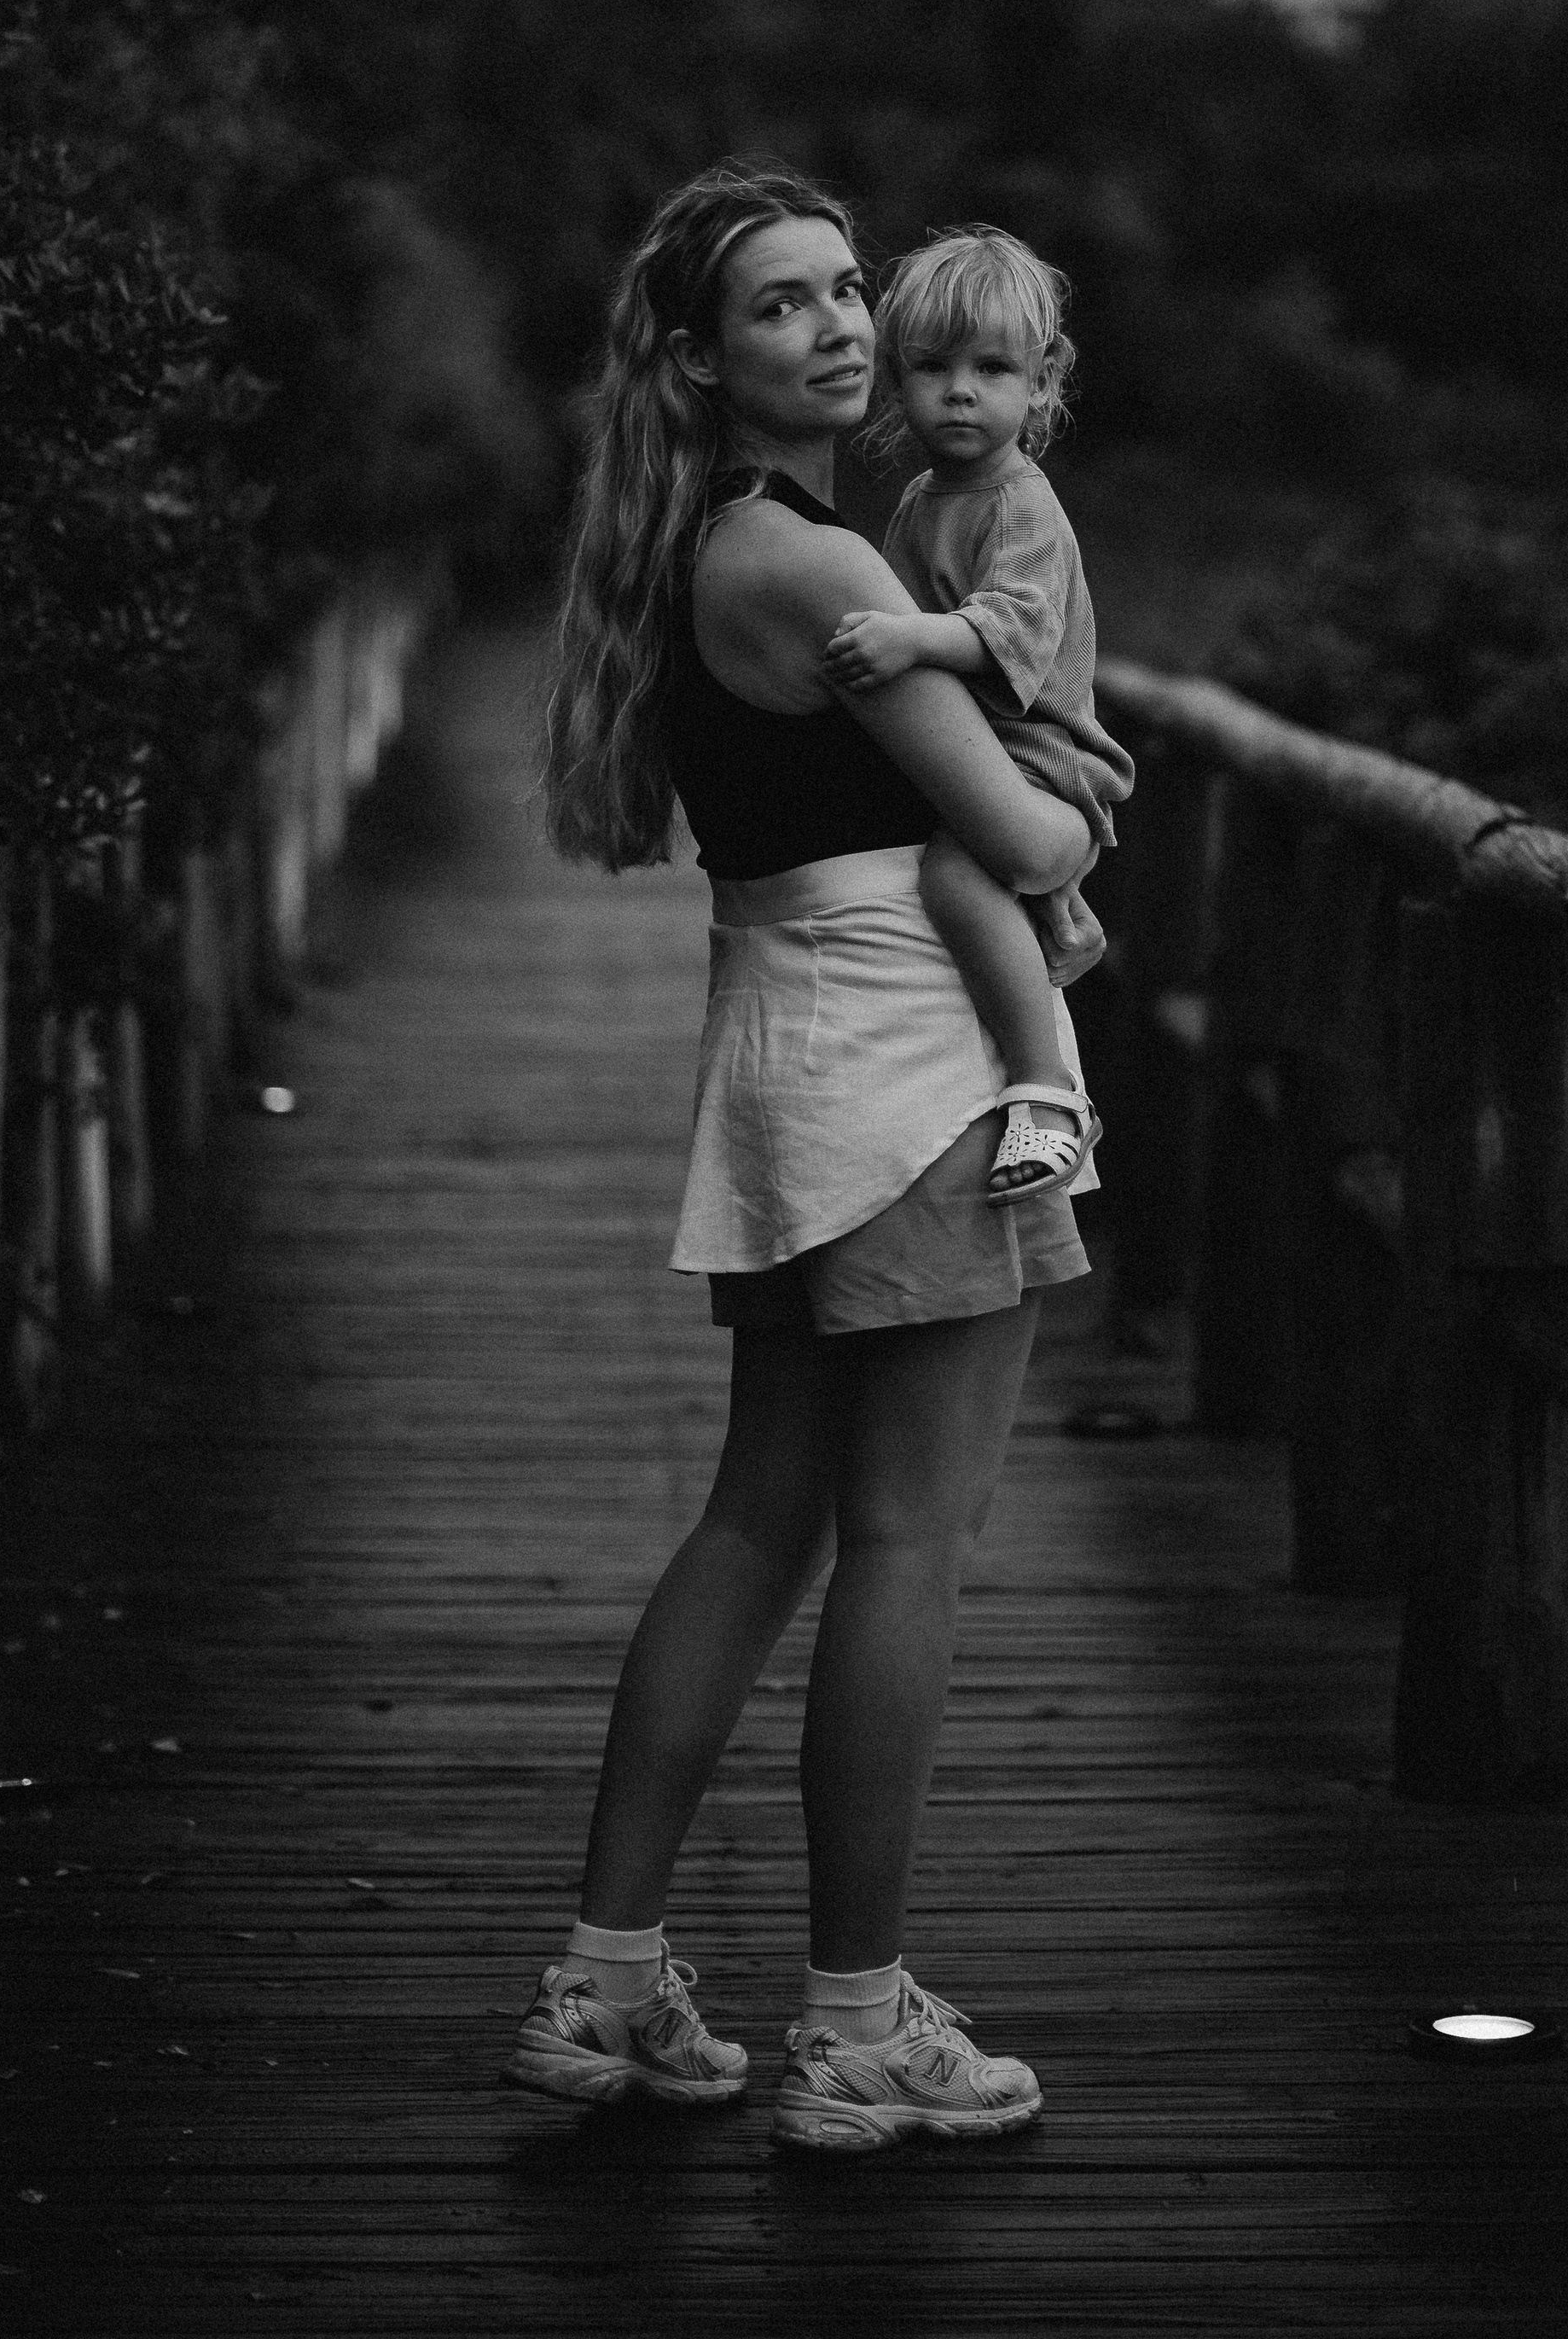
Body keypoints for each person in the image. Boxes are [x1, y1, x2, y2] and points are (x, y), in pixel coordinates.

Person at [507, 166, 1105, 2155]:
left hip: (787, 1060)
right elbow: (1017, 846)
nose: (842, 326)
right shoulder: (826, 572)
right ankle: (855, 2020)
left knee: (759, 1517)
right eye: (784, 306)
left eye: (851, 289)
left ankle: (603, 1981)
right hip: (910, 1065)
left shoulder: (733, 541)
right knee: (904, 1535)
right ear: (699, 358)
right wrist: (1079, 819)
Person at [822, 226, 1135, 1207]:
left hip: (1049, 759)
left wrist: (910, 642)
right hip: (978, 756)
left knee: (958, 878)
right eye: (933, 367)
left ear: (1040, 386)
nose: (961, 390)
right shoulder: (920, 501)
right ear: (895, 378)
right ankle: (1057, 925)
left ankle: (1045, 1092)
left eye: (992, 368)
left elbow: (1012, 629)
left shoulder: (1022, 503)